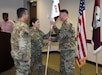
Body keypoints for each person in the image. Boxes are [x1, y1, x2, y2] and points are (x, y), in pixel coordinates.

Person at [51, 9, 76, 75]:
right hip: (65, 49)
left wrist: (52, 39)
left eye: (60, 15)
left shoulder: (67, 24)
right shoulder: (64, 23)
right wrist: (54, 26)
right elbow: (60, 32)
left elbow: (60, 36)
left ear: (64, 15)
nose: (59, 16)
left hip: (68, 50)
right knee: (63, 68)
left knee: (68, 68)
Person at [10, 8, 31, 75]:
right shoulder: (23, 26)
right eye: (27, 14)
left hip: (16, 53)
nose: (28, 15)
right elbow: (22, 42)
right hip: (22, 56)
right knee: (23, 72)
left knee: (19, 71)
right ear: (23, 15)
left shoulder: (15, 25)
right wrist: (24, 56)